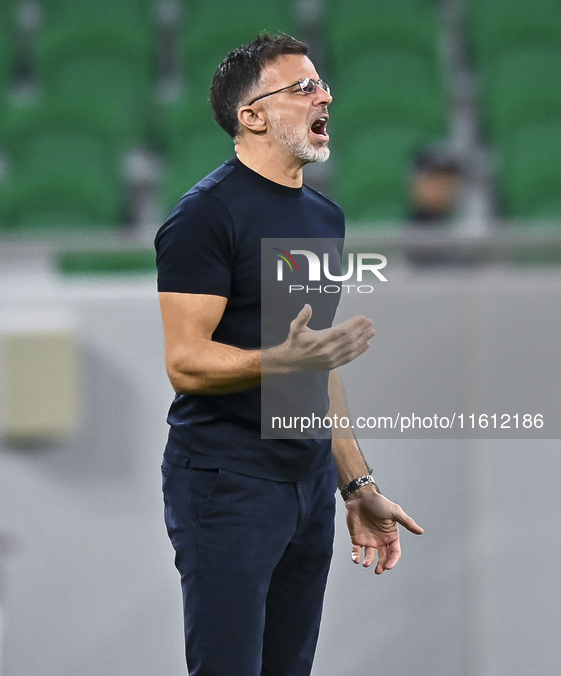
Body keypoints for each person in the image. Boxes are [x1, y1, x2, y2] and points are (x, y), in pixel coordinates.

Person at [155, 33, 423, 676]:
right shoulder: (203, 217)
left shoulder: (324, 219)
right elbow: (185, 362)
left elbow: (317, 363)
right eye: (302, 87)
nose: (324, 95)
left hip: (307, 488)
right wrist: (281, 359)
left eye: (322, 83)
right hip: (228, 484)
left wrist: (356, 486)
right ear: (251, 116)